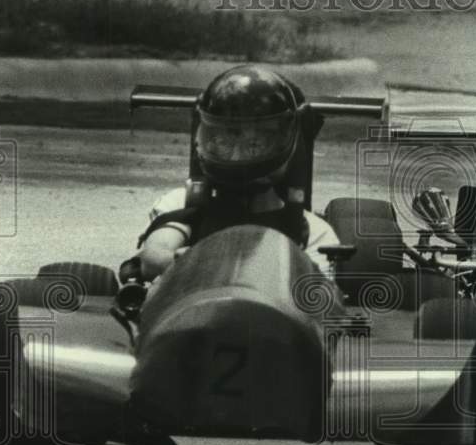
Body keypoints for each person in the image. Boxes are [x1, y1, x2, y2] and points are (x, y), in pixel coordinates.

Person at [127, 65, 339, 283]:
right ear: (206, 137)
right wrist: (176, 263)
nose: (237, 156)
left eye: (254, 144)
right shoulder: (183, 202)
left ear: (283, 141)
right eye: (224, 143)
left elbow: (316, 298)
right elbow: (153, 259)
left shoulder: (311, 231)